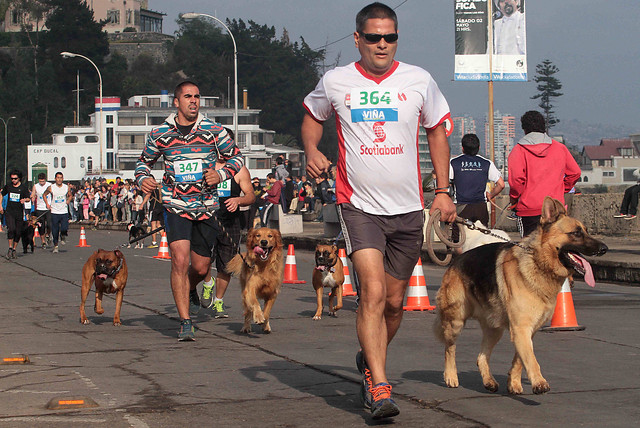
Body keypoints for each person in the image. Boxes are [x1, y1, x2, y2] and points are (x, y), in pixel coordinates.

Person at [301, 2, 456, 419]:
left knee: (393, 303)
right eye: (373, 37)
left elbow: (437, 131)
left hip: (407, 210)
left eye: (390, 37)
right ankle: (380, 387)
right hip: (358, 205)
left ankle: (371, 359)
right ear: (358, 39)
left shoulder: (419, 79)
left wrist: (442, 191)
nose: (382, 44)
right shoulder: (336, 81)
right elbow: (312, 116)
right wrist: (312, 149)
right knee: (370, 294)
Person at [136, 80, 243, 341]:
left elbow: (237, 158)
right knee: (179, 261)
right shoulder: (160, 133)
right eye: (188, 96)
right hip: (175, 205)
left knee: (201, 266)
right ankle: (185, 321)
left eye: (197, 96)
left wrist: (221, 174)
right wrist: (144, 180)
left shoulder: (214, 131)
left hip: (206, 207)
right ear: (177, 102)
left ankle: (190, 289)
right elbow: (142, 163)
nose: (193, 101)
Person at [508, 110, 581, 237]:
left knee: (530, 250)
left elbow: (516, 181)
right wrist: (564, 188)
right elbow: (575, 172)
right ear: (544, 127)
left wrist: (514, 199)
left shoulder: (518, 150)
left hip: (529, 209)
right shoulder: (560, 148)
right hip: (556, 208)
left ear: (524, 129)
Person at [200, 163, 255, 317]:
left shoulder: (239, 170)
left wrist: (238, 200)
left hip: (230, 223)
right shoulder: (205, 164)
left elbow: (250, 195)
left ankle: (218, 301)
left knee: (226, 266)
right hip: (206, 220)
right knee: (203, 260)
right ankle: (208, 283)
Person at [450, 133, 505, 241]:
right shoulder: (486, 163)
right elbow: (501, 184)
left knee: (458, 240)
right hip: (481, 207)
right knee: (482, 238)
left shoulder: (454, 162)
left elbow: (446, 182)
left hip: (461, 207)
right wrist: (491, 195)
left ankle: (460, 257)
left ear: (462, 148)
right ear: (478, 147)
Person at [0, 170, 31, 259]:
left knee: (18, 232)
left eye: (15, 179)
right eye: (12, 178)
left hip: (19, 212)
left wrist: (24, 200)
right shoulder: (9, 186)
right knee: (11, 229)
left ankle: (14, 249)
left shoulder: (23, 188)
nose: (13, 180)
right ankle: (10, 247)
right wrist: (0, 206)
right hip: (9, 212)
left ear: (19, 178)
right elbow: (1, 194)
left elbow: (28, 199)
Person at [42, 172, 72, 253]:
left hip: (64, 211)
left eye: (61, 178)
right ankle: (56, 246)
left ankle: (63, 235)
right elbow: (44, 195)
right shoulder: (51, 187)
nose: (59, 179)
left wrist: (68, 200)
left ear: (63, 178)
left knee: (64, 227)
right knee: (55, 230)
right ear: (55, 179)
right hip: (54, 211)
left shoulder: (66, 187)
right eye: (58, 178)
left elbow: (70, 195)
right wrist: (47, 204)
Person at [31, 173, 52, 248]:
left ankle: (48, 234)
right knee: (41, 226)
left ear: (45, 180)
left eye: (43, 181)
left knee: (50, 224)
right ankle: (43, 241)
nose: (42, 183)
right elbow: (33, 194)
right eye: (40, 181)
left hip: (48, 208)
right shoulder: (36, 186)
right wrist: (32, 197)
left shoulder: (49, 185)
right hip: (39, 208)